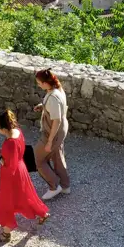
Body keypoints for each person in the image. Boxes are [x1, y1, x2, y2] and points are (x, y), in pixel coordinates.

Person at [0, 109, 49, 243]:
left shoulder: (9, 143)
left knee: (6, 202)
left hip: (12, 175)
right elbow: (14, 154)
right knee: (26, 195)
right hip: (22, 170)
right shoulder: (18, 132)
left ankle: (6, 234)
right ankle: (43, 214)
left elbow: (9, 165)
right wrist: (1, 152)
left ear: (4, 128)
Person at [33, 68, 70, 200]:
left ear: (45, 83)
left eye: (39, 82)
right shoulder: (56, 89)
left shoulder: (53, 97)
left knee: (37, 158)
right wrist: (43, 106)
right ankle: (65, 186)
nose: (38, 85)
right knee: (57, 157)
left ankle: (54, 186)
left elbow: (57, 119)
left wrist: (49, 141)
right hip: (61, 131)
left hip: (52, 133)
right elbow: (57, 108)